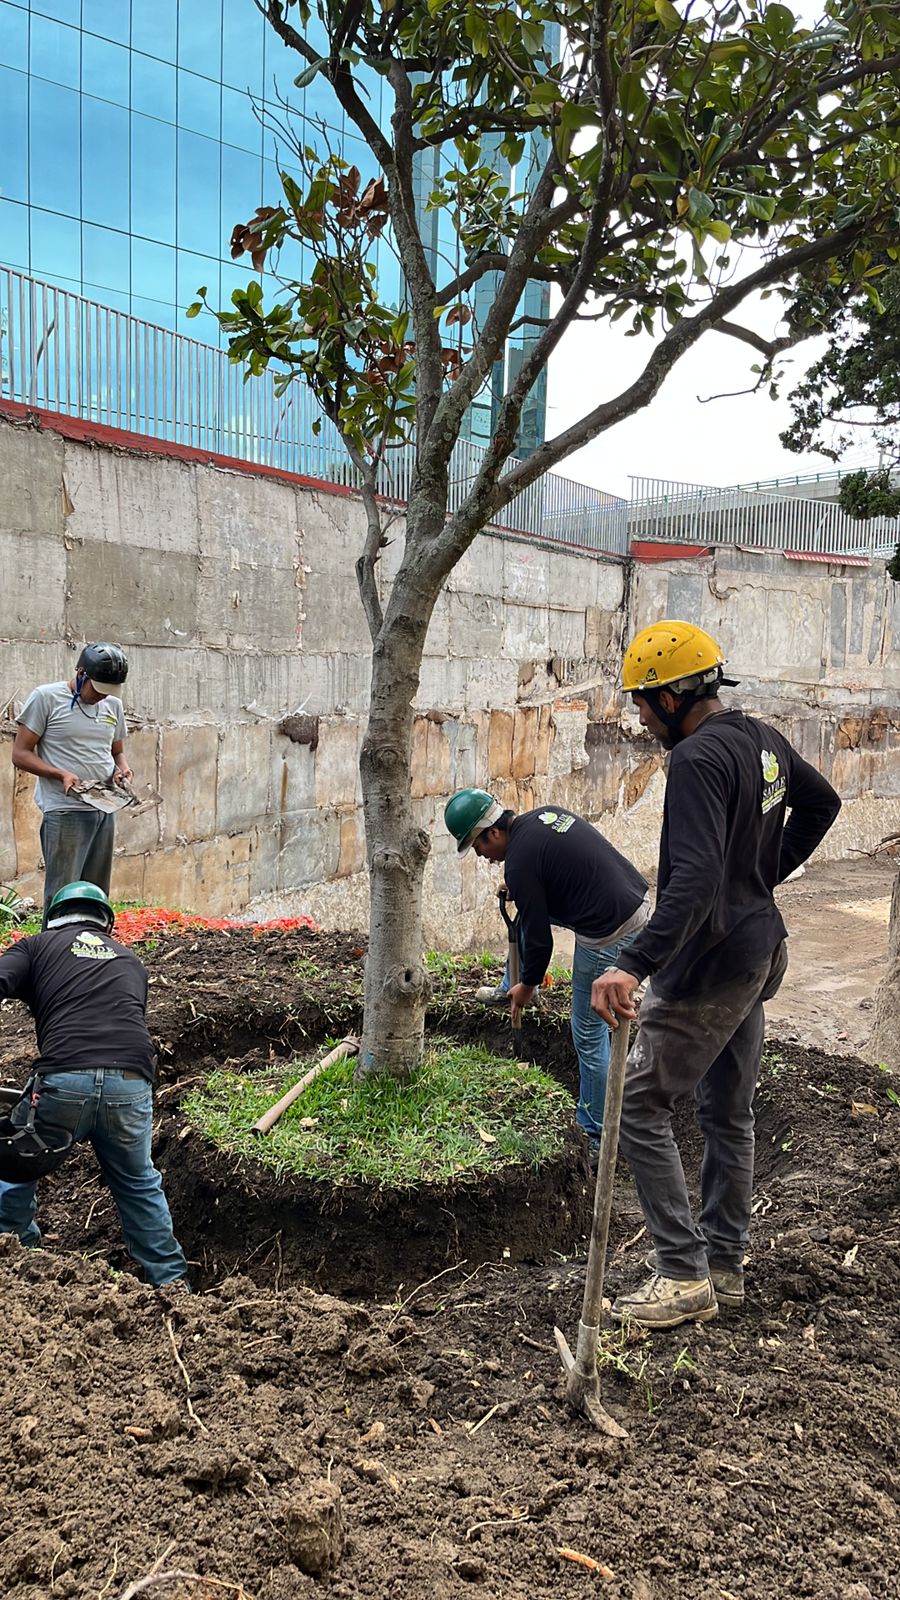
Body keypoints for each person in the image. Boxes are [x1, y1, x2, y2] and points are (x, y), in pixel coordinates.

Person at [590, 620, 841, 1330]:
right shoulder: (760, 737)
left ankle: (680, 1274)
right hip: (757, 948)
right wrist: (758, 879)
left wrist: (633, 964)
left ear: (674, 695)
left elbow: (693, 883)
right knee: (727, 1112)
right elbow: (822, 804)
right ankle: (724, 1267)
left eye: (643, 701)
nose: (639, 716)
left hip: (710, 965)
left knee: (637, 1106)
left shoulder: (698, 760)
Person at [0, 880, 190, 1290]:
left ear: (53, 918)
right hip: (131, 1082)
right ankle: (173, 1286)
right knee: (138, 1183)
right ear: (106, 923)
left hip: (64, 1078)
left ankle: (15, 1260)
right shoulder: (130, 960)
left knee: (19, 1159)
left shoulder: (34, 947)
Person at [445, 789, 650, 1150]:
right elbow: (554, 868)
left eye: (478, 848)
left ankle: (594, 1134)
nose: (483, 858)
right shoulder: (540, 819)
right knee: (526, 906)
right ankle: (512, 979)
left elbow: (541, 941)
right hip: (630, 898)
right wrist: (525, 886)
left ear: (493, 833)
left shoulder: (520, 861)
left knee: (588, 1033)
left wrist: (529, 985)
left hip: (611, 929)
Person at [12, 643, 132, 926]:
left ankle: (92, 952)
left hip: (104, 808)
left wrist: (122, 769)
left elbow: (116, 751)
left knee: (96, 893)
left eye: (108, 690)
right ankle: (54, 956)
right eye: (97, 688)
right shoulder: (46, 698)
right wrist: (59, 774)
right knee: (63, 893)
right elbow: (21, 754)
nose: (101, 695)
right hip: (65, 810)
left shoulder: (112, 704)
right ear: (80, 673)